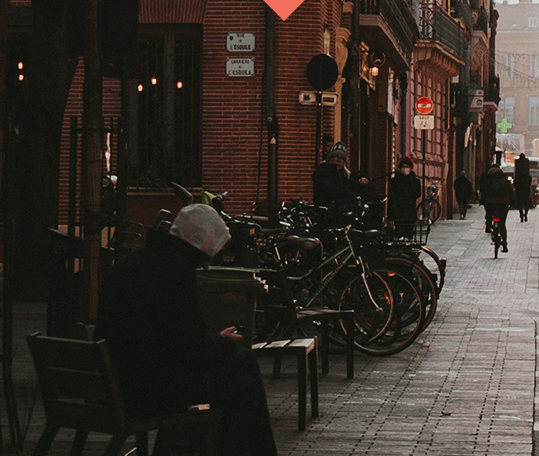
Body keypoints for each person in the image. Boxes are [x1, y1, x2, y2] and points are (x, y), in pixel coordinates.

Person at [97, 204, 277, 456]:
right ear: (199, 246)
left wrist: (214, 342)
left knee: (243, 379)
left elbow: (172, 338)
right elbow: (190, 348)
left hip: (120, 380)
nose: (206, 265)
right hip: (145, 390)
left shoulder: (135, 261)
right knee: (244, 376)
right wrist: (224, 342)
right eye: (208, 256)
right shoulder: (174, 272)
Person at [312, 142, 363, 211]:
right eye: (335, 156)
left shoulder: (345, 175)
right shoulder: (322, 172)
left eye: (341, 158)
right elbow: (333, 190)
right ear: (329, 159)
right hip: (326, 212)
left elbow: (353, 183)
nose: (338, 160)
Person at [479, 159, 513, 254]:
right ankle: (505, 245)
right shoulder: (505, 179)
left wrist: (482, 201)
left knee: (489, 213)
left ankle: (489, 225)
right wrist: (512, 201)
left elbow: (484, 191)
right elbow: (511, 191)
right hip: (503, 203)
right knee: (502, 224)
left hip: (490, 203)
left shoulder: (488, 179)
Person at [387, 155, 422, 237]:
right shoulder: (395, 181)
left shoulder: (415, 180)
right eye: (403, 167)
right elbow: (391, 196)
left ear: (410, 168)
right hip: (398, 210)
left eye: (407, 167)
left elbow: (417, 194)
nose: (405, 169)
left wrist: (411, 182)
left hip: (410, 210)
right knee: (399, 231)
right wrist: (390, 214)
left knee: (409, 232)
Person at [513, 154, 534, 223]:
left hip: (519, 190)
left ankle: (521, 215)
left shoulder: (517, 177)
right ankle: (526, 214)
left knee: (520, 203)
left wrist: (515, 188)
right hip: (526, 190)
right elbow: (529, 183)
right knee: (526, 203)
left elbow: (515, 183)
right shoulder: (528, 177)